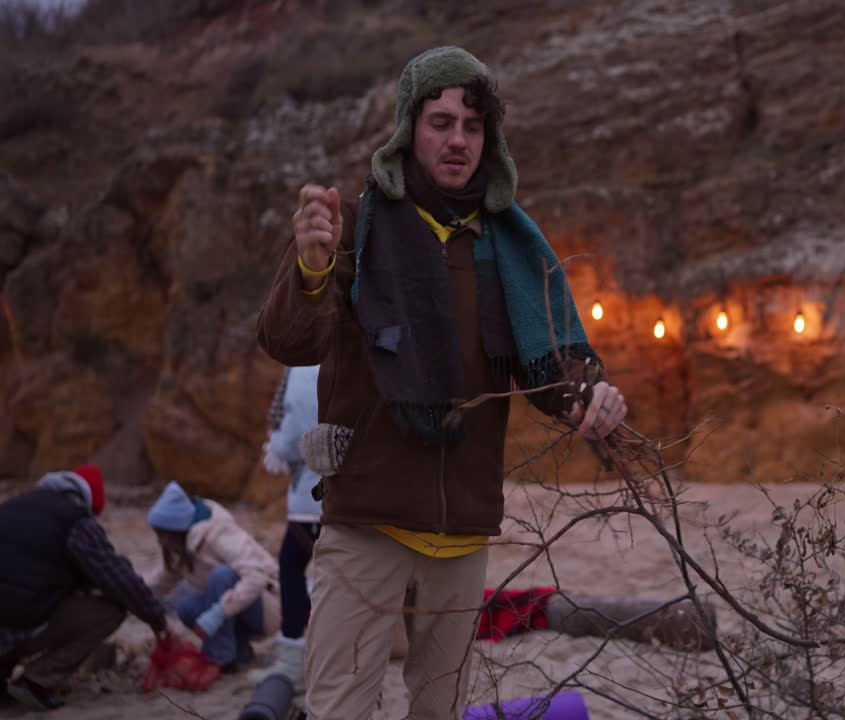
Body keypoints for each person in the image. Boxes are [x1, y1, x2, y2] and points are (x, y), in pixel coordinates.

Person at [256, 46, 628, 720]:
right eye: (441, 121)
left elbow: (553, 371)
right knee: (338, 708)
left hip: (463, 531)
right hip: (366, 518)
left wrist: (589, 398)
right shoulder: (358, 229)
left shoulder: (510, 245)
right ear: (407, 127)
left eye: (473, 126)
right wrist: (311, 266)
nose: (458, 139)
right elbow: (289, 340)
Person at [0, 465, 171, 711]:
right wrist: (157, 619)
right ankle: (36, 681)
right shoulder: (73, 519)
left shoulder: (14, 506)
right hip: (17, 623)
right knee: (111, 610)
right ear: (89, 503)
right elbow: (119, 580)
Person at [145, 481, 281, 672]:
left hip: (269, 605)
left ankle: (219, 658)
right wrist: (129, 593)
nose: (161, 541)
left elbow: (256, 576)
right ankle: (239, 650)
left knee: (221, 576)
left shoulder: (218, 533)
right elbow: (160, 581)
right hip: (238, 608)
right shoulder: (182, 548)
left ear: (177, 529)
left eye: (164, 534)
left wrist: (216, 614)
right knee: (186, 607)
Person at [248, 364, 322, 687]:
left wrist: (277, 445)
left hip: (313, 495)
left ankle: (293, 661)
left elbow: (297, 431)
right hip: (350, 490)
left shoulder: (305, 368)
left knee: (291, 568)